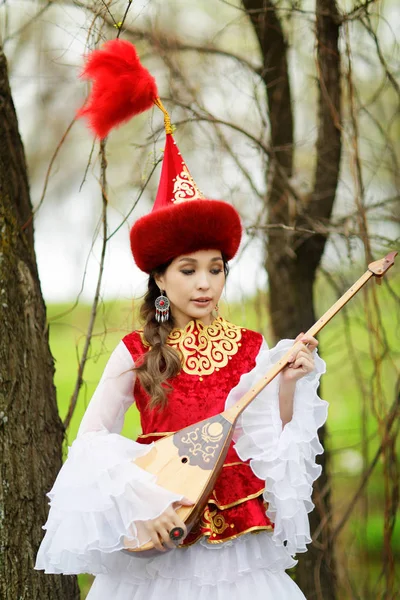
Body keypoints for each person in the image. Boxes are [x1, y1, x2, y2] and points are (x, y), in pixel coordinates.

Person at [35, 40, 328, 599]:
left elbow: (267, 443)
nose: (203, 283)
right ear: (161, 279)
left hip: (239, 551)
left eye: (214, 269)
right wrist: (142, 508)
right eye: (187, 269)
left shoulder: (249, 346)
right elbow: (93, 444)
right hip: (161, 541)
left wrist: (287, 383)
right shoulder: (135, 350)